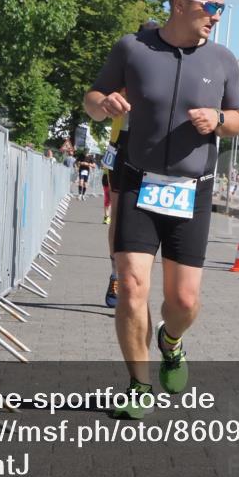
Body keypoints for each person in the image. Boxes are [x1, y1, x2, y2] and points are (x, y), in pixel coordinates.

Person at [84, 0, 239, 419]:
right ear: (179, 4)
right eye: (210, 6)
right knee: (132, 286)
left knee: (184, 301)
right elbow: (92, 99)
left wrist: (219, 122)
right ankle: (138, 384)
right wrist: (104, 104)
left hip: (192, 190)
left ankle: (171, 341)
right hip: (138, 180)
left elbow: (237, 119)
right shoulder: (132, 48)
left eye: (221, 7)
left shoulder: (223, 60)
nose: (216, 15)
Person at [101, 20, 161, 309]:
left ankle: (136, 278)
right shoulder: (126, 61)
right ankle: (116, 274)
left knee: (147, 215)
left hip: (154, 149)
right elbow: (101, 97)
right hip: (122, 143)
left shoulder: (165, 64)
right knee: (117, 211)